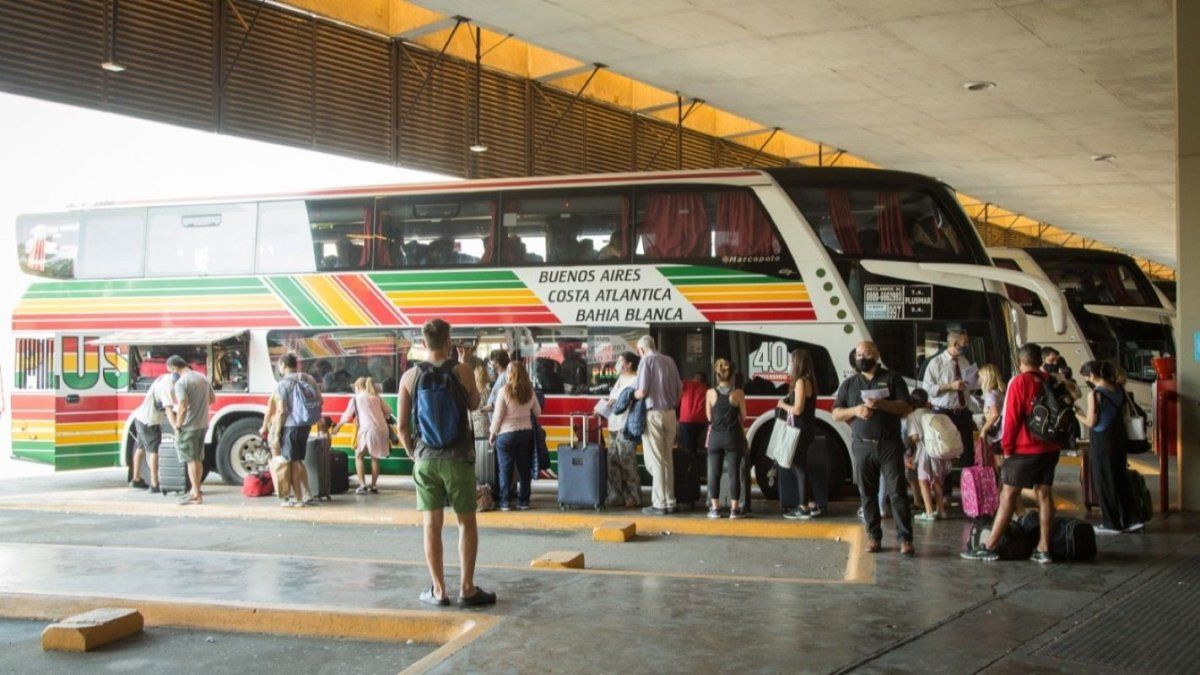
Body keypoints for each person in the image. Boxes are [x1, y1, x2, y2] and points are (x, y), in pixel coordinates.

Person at [396, 318, 494, 607]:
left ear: (423, 343)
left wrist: (414, 453)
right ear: (448, 342)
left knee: (431, 525)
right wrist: (465, 365)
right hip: (459, 457)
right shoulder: (462, 370)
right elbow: (474, 404)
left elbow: (402, 426)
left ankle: (439, 591)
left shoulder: (409, 377)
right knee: (466, 523)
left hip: (426, 460)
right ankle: (467, 588)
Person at [963, 343, 1061, 564]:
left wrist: (1007, 448)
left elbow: (1012, 419)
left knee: (1007, 496)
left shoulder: (1019, 382)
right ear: (1040, 361)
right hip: (1050, 448)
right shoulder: (1049, 380)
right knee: (1044, 495)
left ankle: (989, 546)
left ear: (1020, 361)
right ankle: (1044, 548)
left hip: (1025, 449)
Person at [832, 341, 914, 555]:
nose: (862, 358)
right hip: (862, 446)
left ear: (876, 355)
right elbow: (836, 413)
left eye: (866, 354)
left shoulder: (892, 379)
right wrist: (856, 411)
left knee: (897, 493)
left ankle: (905, 539)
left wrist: (882, 404)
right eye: (858, 355)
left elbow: (906, 407)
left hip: (889, 444)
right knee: (867, 494)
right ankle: (873, 537)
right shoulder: (849, 384)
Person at [1077, 360, 1144, 534]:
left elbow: (1091, 422)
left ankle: (1111, 524)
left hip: (1103, 441)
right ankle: (1133, 520)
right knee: (1121, 479)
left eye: (1086, 377)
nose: (1087, 380)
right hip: (1119, 438)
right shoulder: (1119, 389)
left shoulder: (1095, 394)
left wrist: (1077, 415)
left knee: (1104, 482)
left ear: (1092, 375)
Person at [921, 329, 978, 492]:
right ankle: (946, 495)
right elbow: (927, 388)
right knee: (945, 454)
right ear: (954, 343)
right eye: (964, 343)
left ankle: (969, 493)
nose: (967, 345)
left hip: (963, 412)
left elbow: (969, 385)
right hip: (944, 414)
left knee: (968, 454)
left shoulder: (964, 361)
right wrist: (950, 386)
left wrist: (973, 385)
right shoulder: (936, 363)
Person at [634, 335, 682, 515]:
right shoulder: (670, 361)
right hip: (670, 413)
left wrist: (632, 395)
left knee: (656, 460)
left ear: (642, 349)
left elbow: (642, 391)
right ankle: (670, 500)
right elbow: (680, 390)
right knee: (667, 458)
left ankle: (659, 503)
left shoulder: (646, 361)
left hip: (653, 413)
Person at [779, 349, 826, 519]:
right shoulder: (809, 381)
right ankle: (812, 504)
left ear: (798, 363)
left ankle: (803, 507)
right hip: (806, 429)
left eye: (792, 361)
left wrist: (782, 405)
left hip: (798, 430)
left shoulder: (800, 382)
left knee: (798, 467)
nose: (790, 364)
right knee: (802, 466)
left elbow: (798, 409)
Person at [489, 361, 541, 511]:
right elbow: (538, 412)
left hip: (506, 435)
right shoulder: (530, 391)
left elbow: (498, 416)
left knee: (505, 469)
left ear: (510, 374)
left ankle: (505, 501)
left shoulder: (504, 391)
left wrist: (493, 433)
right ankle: (523, 501)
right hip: (526, 433)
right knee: (524, 469)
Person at [274, 353, 322, 507]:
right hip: (306, 424)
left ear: (283, 365)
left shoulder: (283, 384)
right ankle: (307, 493)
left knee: (293, 462)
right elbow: (320, 400)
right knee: (299, 460)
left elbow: (281, 410)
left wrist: (276, 433)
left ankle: (298, 498)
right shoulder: (308, 378)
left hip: (290, 426)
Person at [168, 355, 215, 506]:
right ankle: (196, 490)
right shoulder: (202, 378)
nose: (171, 373)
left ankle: (196, 494)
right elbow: (212, 399)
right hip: (202, 424)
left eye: (170, 370)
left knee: (191, 460)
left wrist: (178, 425)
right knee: (197, 459)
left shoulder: (181, 383)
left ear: (174, 367)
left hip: (189, 426)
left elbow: (182, 406)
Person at [706, 358, 747, 519]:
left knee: (714, 473)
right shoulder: (738, 393)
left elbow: (709, 417)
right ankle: (734, 510)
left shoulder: (710, 393)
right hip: (733, 437)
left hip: (715, 438)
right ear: (732, 375)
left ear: (717, 375)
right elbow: (744, 416)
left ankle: (715, 509)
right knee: (734, 473)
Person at [335, 376, 391, 495]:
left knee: (359, 456)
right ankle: (374, 485)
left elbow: (347, 416)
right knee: (375, 457)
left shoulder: (357, 398)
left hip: (367, 430)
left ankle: (362, 485)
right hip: (381, 430)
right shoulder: (376, 396)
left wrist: (337, 427)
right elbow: (388, 411)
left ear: (357, 387)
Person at [906, 389, 950, 522]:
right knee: (936, 481)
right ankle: (941, 511)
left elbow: (914, 437)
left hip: (924, 452)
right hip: (937, 452)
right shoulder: (933, 414)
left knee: (923, 481)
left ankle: (929, 512)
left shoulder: (912, 416)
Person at [604, 351, 642, 508]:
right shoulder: (620, 379)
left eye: (620, 361)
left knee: (627, 463)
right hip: (613, 426)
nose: (617, 364)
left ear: (629, 364)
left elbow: (625, 402)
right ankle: (615, 496)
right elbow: (614, 400)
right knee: (613, 462)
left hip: (625, 427)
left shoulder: (635, 380)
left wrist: (615, 401)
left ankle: (633, 497)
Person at [129, 371, 176, 491]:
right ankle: (155, 484)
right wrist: (176, 427)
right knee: (154, 451)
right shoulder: (168, 386)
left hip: (140, 418)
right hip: (150, 422)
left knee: (140, 448)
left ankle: (136, 479)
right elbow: (168, 409)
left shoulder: (163, 378)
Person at [979, 364, 1006, 468]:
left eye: (981, 377)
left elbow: (995, 414)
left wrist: (984, 429)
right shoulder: (1000, 391)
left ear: (987, 378)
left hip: (997, 432)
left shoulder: (990, 394)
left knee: (999, 463)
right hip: (1004, 429)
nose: (979, 380)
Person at [679, 372, 709, 460]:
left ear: (694, 378)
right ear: (704, 381)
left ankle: (691, 463)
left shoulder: (685, 384)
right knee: (695, 442)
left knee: (687, 447)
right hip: (701, 421)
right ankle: (695, 460)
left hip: (686, 420)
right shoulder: (706, 389)